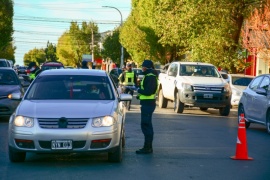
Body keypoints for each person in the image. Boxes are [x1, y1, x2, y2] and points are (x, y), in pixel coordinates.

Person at [135, 59, 158, 154]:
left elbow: (149, 92)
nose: (142, 68)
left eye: (143, 67)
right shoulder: (148, 76)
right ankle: (147, 147)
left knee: (146, 125)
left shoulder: (151, 77)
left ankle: (147, 148)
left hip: (148, 104)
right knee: (146, 125)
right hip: (146, 103)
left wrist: (138, 90)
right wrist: (139, 95)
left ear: (147, 68)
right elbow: (147, 91)